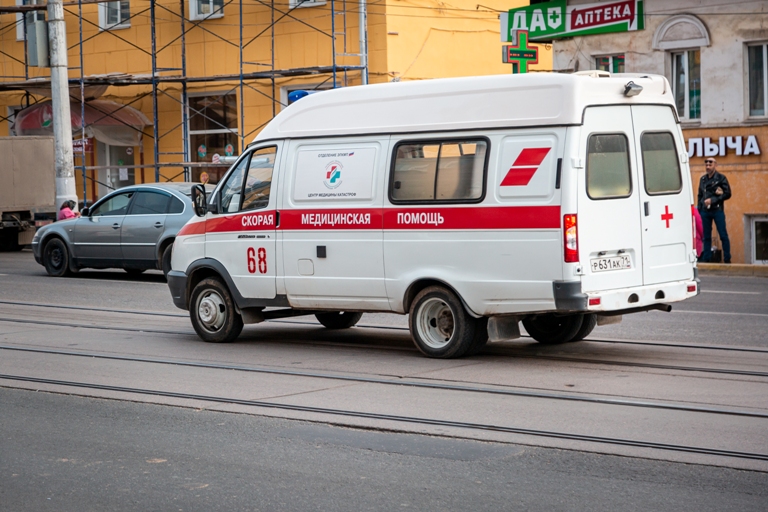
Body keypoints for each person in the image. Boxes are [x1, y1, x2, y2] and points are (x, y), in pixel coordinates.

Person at [697, 157, 731, 263]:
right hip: (705, 211)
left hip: (717, 210)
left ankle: (727, 259)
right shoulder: (703, 179)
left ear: (715, 165)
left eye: (710, 164)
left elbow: (728, 193)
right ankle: (707, 258)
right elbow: (700, 194)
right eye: (706, 164)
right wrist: (700, 207)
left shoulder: (721, 178)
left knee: (722, 234)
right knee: (706, 236)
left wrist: (713, 200)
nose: (708, 166)